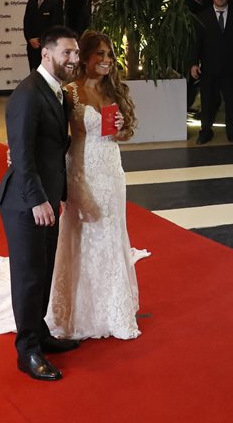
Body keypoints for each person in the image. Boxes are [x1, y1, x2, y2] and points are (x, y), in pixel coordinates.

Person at [0, 26, 82, 381]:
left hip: (46, 198)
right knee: (29, 277)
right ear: (46, 54)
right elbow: (22, 156)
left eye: (76, 53)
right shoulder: (27, 95)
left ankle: (40, 332)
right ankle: (27, 351)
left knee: (44, 271)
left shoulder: (56, 92)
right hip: (25, 203)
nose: (74, 60)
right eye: (67, 53)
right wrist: (38, 201)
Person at [50, 31, 144, 341]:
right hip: (82, 169)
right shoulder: (70, 92)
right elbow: (54, 133)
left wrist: (120, 128)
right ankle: (78, 309)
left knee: (112, 232)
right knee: (83, 232)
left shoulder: (112, 91)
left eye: (109, 55)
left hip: (111, 170)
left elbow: (124, 133)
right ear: (85, 57)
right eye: (99, 54)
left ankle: (113, 308)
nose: (105, 60)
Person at [190, 0, 233, 144]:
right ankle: (205, 131)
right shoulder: (202, 17)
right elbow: (196, 43)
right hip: (209, 67)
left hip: (232, 68)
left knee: (232, 102)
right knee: (207, 102)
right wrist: (193, 64)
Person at [22, 0, 65, 71]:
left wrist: (42, 40)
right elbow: (26, 23)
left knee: (47, 75)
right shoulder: (31, 2)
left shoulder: (56, 2)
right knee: (34, 74)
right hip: (32, 46)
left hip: (48, 46)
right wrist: (30, 39)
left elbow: (56, 26)